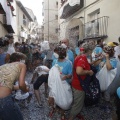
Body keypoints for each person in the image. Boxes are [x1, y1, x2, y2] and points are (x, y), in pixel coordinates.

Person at [0, 52, 29, 120]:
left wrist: (17, 87)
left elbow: (4, 85)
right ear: (20, 60)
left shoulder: (2, 66)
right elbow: (22, 84)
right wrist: (26, 89)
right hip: (4, 100)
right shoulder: (22, 65)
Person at [68, 42, 94, 120]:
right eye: (91, 51)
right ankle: (71, 117)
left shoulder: (79, 56)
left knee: (77, 101)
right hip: (79, 85)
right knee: (77, 104)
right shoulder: (82, 58)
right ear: (89, 51)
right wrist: (89, 72)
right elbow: (79, 71)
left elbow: (75, 67)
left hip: (75, 82)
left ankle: (76, 114)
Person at [49, 45, 73, 120]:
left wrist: (66, 77)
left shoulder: (68, 63)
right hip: (55, 83)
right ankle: (54, 108)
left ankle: (62, 113)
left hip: (64, 83)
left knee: (63, 98)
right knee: (54, 96)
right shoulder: (55, 61)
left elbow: (70, 74)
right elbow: (52, 72)